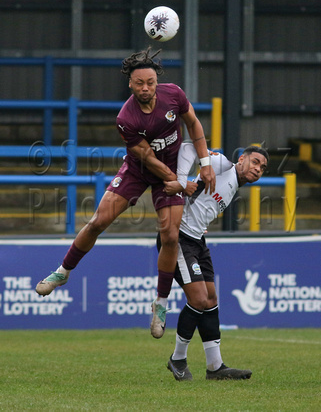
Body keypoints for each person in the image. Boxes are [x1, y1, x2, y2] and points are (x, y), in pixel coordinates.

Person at [35, 47, 216, 339]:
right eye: (139, 83)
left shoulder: (174, 95)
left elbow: (193, 123)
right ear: (130, 84)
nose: (146, 88)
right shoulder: (126, 118)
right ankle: (63, 271)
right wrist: (179, 183)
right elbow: (146, 157)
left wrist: (204, 162)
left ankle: (160, 303)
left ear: (157, 82)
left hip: (171, 171)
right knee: (97, 221)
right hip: (139, 169)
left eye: (150, 82)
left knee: (170, 235)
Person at [158, 142, 269, 380]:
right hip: (179, 238)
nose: (259, 169)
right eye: (255, 162)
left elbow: (201, 202)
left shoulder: (233, 184)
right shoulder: (222, 164)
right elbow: (189, 148)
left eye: (263, 167)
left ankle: (215, 367)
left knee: (210, 300)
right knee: (198, 299)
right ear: (241, 160)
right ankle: (177, 358)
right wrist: (181, 182)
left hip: (196, 240)